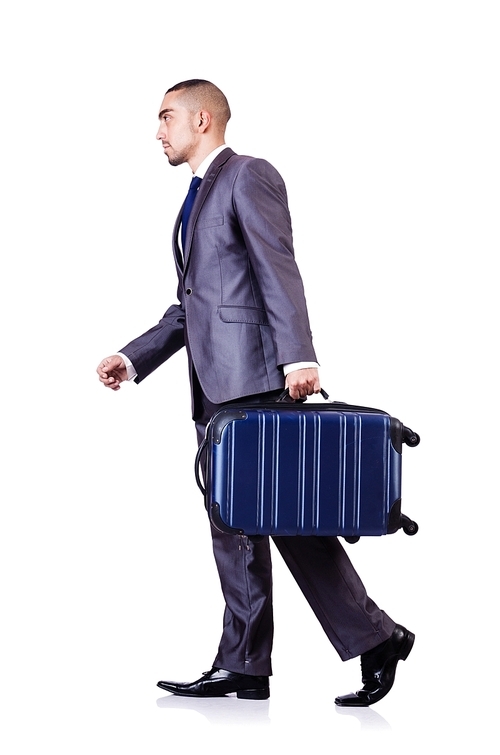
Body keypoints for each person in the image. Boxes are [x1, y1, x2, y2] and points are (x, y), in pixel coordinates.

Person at [96, 79, 414, 706]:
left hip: (257, 377)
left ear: (203, 118)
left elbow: (278, 267)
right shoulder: (193, 200)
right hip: (216, 384)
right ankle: (248, 661)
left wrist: (299, 356)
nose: (158, 131)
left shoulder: (248, 175)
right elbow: (194, 306)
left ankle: (371, 637)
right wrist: (132, 359)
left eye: (166, 117)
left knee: (280, 517)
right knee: (237, 522)